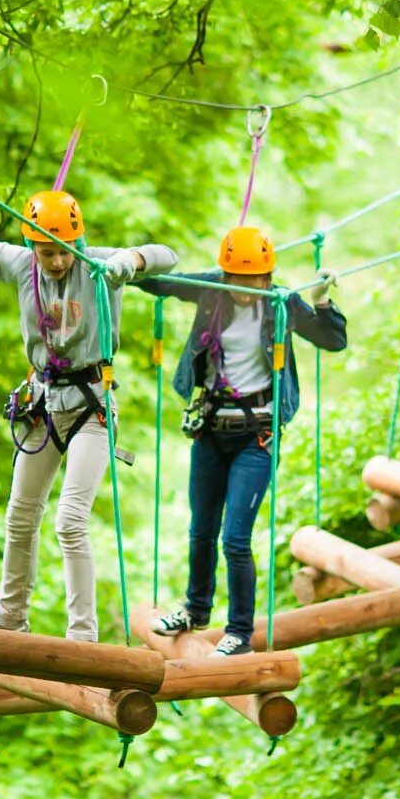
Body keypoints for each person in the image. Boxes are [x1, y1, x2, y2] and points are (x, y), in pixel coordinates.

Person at [0, 191, 177, 642]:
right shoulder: (21, 266)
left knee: (70, 520)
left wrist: (131, 260)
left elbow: (167, 255)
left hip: (91, 408)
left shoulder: (98, 268)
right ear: (33, 246)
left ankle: (83, 635)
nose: (55, 262)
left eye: (63, 252)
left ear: (78, 241)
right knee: (19, 515)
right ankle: (11, 616)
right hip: (45, 404)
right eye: (46, 252)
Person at [141, 224, 346, 655]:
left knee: (234, 538)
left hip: (258, 436)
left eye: (257, 281)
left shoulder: (282, 302)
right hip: (212, 429)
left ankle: (239, 633)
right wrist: (121, 264)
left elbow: (332, 340)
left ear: (269, 277)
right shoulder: (212, 291)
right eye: (238, 280)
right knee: (201, 530)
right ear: (226, 275)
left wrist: (323, 302)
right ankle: (196, 610)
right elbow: (160, 283)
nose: (248, 289)